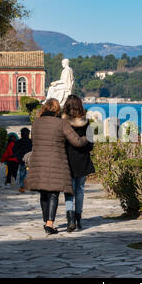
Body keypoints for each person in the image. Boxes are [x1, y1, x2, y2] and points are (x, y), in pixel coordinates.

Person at [25, 98, 88, 235]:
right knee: (53, 192)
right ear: (57, 110)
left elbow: (33, 141)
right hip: (56, 161)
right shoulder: (61, 123)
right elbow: (76, 141)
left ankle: (46, 220)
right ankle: (49, 223)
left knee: (43, 191)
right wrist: (87, 138)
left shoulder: (36, 123)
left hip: (38, 161)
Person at [62, 95, 95, 232]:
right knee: (80, 190)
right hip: (82, 160)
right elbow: (91, 145)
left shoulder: (62, 123)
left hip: (67, 161)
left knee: (69, 191)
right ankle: (78, 218)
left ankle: (70, 220)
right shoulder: (87, 123)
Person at [12, 127, 32, 193]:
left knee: (22, 174)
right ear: (28, 134)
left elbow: (14, 151)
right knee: (29, 174)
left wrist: (18, 157)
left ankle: (22, 186)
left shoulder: (18, 142)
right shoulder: (31, 142)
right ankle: (28, 186)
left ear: (21, 134)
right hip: (30, 160)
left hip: (22, 160)